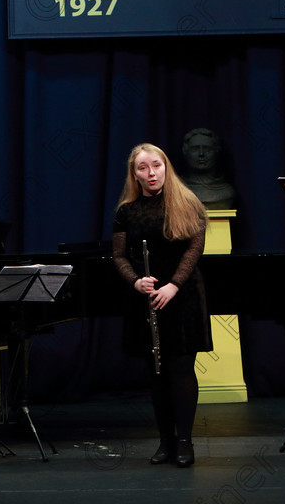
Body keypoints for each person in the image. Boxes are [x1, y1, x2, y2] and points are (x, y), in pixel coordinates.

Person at [112, 143, 212, 468]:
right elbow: (119, 256)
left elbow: (194, 249)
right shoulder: (126, 211)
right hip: (147, 297)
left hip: (182, 295)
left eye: (156, 165)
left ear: (166, 167)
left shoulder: (187, 203)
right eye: (143, 168)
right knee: (155, 372)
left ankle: (184, 441)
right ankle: (165, 441)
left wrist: (173, 285)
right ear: (134, 174)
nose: (151, 173)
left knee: (181, 367)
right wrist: (135, 281)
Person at [181, 128, 235, 209]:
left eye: (207, 149)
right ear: (185, 152)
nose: (201, 154)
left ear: (216, 152)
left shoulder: (227, 191)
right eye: (195, 149)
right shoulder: (178, 190)